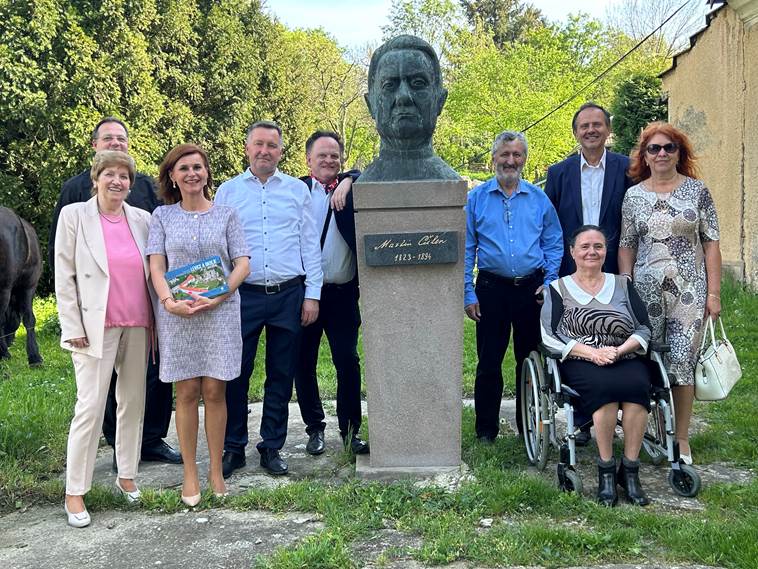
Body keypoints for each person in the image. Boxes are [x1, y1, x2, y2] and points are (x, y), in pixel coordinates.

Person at [48, 117, 180, 467]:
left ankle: (150, 441)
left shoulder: (147, 191)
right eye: (108, 138)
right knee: (97, 395)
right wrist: (71, 322)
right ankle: (109, 444)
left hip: (139, 315)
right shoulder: (74, 193)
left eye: (121, 138)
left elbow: (163, 247)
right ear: (94, 146)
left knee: (147, 384)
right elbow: (62, 264)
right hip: (96, 316)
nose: (116, 143)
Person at [215, 121, 323, 477]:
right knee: (236, 373)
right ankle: (233, 446)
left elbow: (310, 244)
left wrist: (312, 295)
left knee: (281, 373)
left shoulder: (296, 191)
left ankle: (272, 446)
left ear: (281, 151)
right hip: (241, 296)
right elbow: (219, 247)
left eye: (272, 145)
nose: (265, 151)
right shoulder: (228, 192)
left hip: (288, 294)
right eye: (258, 144)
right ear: (247, 148)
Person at [147, 144, 250, 505]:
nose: (192, 173)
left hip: (219, 312)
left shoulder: (226, 215)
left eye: (197, 167)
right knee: (187, 392)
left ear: (207, 173)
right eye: (184, 168)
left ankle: (216, 471)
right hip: (179, 315)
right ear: (172, 177)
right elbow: (156, 266)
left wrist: (220, 295)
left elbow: (242, 263)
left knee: (215, 391)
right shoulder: (161, 216)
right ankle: (190, 472)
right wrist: (168, 302)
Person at [55, 151, 154, 527]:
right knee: (91, 407)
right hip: (93, 328)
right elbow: (64, 276)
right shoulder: (75, 216)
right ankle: (74, 492)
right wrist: (73, 327)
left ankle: (126, 476)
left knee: (132, 402)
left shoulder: (142, 220)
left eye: (124, 176)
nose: (117, 181)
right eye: (109, 174)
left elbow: (155, 270)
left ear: (131, 183)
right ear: (95, 179)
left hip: (138, 323)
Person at [619, 122, 722, 466]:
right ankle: (654, 429)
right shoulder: (633, 196)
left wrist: (714, 293)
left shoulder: (697, 191)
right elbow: (626, 244)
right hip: (645, 291)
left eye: (669, 147)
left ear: (679, 153)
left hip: (689, 291)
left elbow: (711, 243)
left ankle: (680, 438)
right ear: (645, 156)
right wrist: (625, 284)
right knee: (649, 359)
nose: (661, 153)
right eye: (654, 148)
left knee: (681, 361)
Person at [541, 226, 653, 506]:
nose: (592, 251)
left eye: (598, 246)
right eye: (585, 246)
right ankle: (606, 470)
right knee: (604, 390)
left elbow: (644, 328)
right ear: (572, 252)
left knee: (638, 389)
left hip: (623, 355)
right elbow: (549, 335)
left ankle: (629, 471)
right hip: (581, 359)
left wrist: (619, 350)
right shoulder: (558, 289)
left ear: (605, 251)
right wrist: (593, 354)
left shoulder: (622, 284)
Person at [544, 102, 634, 446]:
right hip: (573, 270)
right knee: (578, 335)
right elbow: (551, 226)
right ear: (575, 132)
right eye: (584, 126)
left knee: (613, 334)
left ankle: (620, 405)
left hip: (614, 267)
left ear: (608, 130)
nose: (591, 130)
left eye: (597, 124)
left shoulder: (627, 168)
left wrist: (626, 270)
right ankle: (582, 418)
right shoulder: (559, 173)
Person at [464, 130, 563, 440]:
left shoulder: (538, 199)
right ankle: (486, 430)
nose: (510, 160)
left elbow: (554, 242)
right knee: (489, 361)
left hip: (531, 290)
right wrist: (467, 291)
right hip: (491, 289)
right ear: (494, 157)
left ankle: (528, 426)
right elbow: (467, 248)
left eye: (516, 154)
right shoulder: (476, 199)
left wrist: (549, 282)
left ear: (524, 159)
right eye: (504, 154)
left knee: (530, 359)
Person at [294, 131, 368, 456]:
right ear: (308, 159)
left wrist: (350, 179)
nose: (328, 160)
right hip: (304, 295)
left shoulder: (350, 190)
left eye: (334, 156)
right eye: (321, 155)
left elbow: (374, 173)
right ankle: (314, 428)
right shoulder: (295, 191)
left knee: (348, 362)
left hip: (342, 294)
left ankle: (351, 431)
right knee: (303, 363)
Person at [361, 34, 459, 181]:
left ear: (440, 101)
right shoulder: (365, 182)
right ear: (371, 105)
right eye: (389, 85)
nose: (403, 96)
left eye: (418, 83)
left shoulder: (449, 180)